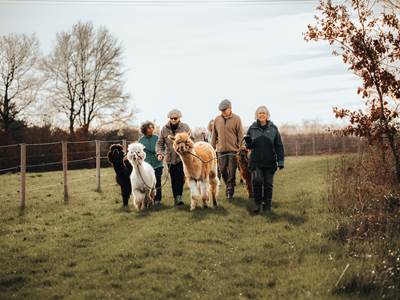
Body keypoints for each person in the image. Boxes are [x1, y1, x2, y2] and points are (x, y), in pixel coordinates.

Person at [244, 105, 284, 213]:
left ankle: (267, 205)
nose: (262, 115)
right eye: (260, 113)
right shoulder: (252, 128)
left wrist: (280, 161)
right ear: (257, 115)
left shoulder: (273, 128)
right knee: (257, 180)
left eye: (264, 113)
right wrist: (247, 142)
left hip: (270, 162)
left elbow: (279, 146)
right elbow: (248, 146)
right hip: (255, 162)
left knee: (268, 184)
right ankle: (257, 204)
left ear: (267, 115)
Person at [156, 109, 190, 206]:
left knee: (180, 178)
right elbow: (159, 143)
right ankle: (177, 198)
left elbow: (191, 140)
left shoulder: (185, 127)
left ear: (179, 118)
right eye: (171, 118)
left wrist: (187, 148)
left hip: (182, 158)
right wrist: (159, 153)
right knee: (173, 178)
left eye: (175, 118)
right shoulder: (164, 129)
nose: (173, 120)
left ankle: (179, 197)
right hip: (170, 158)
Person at [211, 99, 243, 199]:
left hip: (233, 150)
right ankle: (229, 185)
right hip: (220, 150)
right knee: (222, 169)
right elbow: (214, 135)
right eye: (221, 110)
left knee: (232, 170)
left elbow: (240, 135)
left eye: (225, 109)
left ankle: (230, 190)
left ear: (230, 108)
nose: (223, 112)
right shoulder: (217, 120)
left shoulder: (237, 119)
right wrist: (212, 148)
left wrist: (239, 146)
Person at [139, 121, 164, 205]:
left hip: (157, 164)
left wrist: (161, 154)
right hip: (147, 166)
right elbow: (139, 152)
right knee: (147, 183)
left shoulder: (157, 138)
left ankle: (158, 199)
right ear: (145, 129)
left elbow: (163, 148)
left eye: (152, 127)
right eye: (149, 128)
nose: (151, 129)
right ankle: (148, 199)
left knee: (157, 181)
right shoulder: (141, 140)